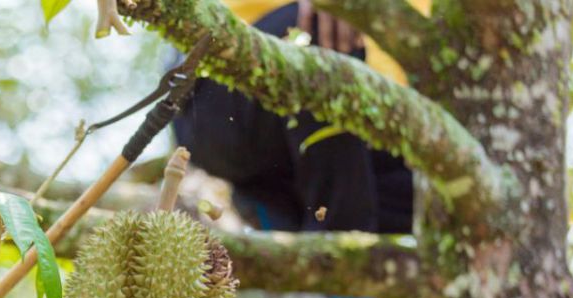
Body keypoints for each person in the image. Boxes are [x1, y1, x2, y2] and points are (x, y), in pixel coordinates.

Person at [172, 0, 420, 235]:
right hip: (224, 90)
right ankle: (338, 245)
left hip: (347, 136)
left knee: (435, 194)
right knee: (322, 23)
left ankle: (299, 232)